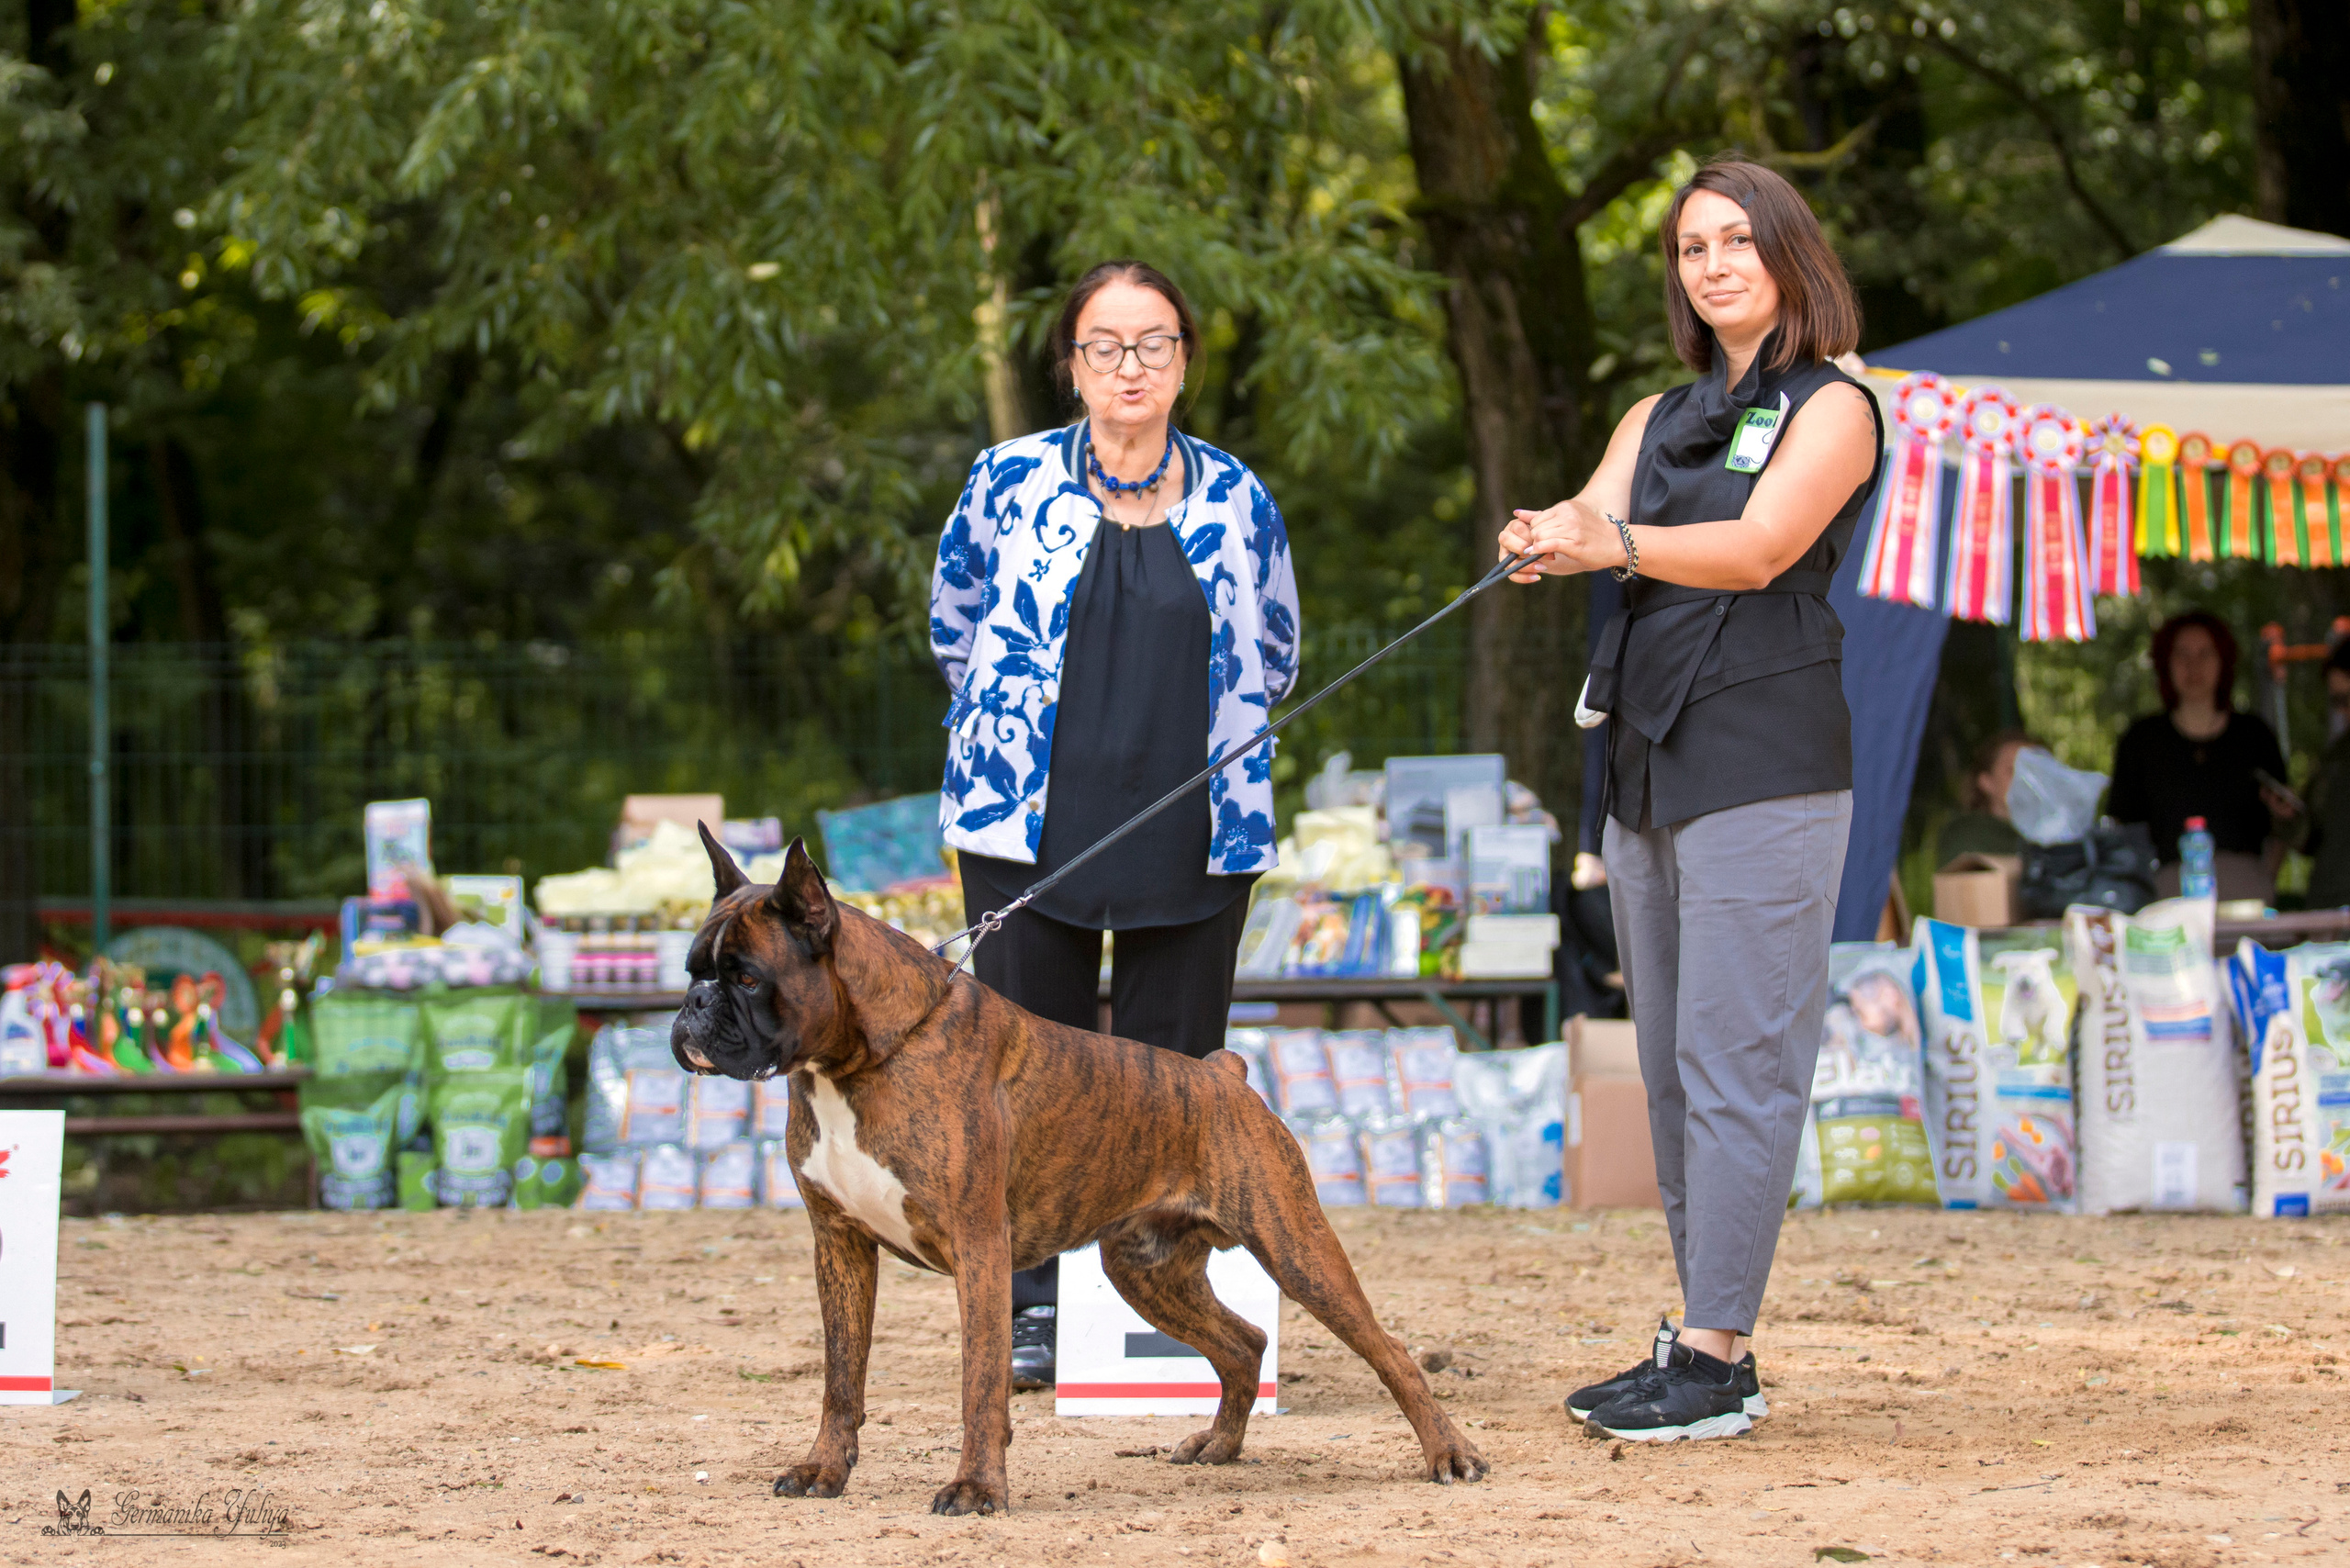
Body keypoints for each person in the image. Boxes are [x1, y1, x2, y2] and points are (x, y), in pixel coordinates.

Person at [1497, 156, 1881, 1442]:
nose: (1713, 265)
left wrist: (1614, 544)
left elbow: (1763, 549)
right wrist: (1545, 536)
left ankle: (1716, 1357)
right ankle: (1706, 1338)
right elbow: (1590, 514)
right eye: (1691, 247)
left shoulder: (1837, 404)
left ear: (1788, 252)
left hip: (1766, 754)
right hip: (1646, 755)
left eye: (1736, 240)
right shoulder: (1655, 414)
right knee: (1668, 1066)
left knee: (1738, 1063)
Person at [928, 260, 1298, 1388]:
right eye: (1105, 345)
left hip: (1194, 827)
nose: (1129, 366)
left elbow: (1276, 649)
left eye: (1153, 343)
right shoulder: (1005, 479)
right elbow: (955, 625)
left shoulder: (1239, 497)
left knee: (1171, 1093)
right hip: (1024, 828)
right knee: (1020, 1087)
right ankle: (1032, 1310)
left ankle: (1163, 1313)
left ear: (1184, 359)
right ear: (1072, 362)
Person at [2106, 610, 2294, 902]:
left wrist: (2264, 878)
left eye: (2205, 654)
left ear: (2223, 661)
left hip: (2246, 892)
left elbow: (2283, 821)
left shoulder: (2254, 736)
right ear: (2165, 664)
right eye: (2182, 655)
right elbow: (2122, 827)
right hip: (2165, 894)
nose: (2193, 666)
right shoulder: (2142, 740)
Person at [2291, 643, 2350, 907]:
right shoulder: (2335, 756)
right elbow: (2308, 838)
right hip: (2328, 908)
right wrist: (2288, 816)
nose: (2343, 710)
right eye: (2338, 701)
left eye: (2346, 699)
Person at [1935, 729, 2046, 864]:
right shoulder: (1968, 835)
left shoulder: (2053, 834)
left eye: (2035, 771)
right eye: (2013, 770)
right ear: (1987, 782)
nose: (2027, 780)